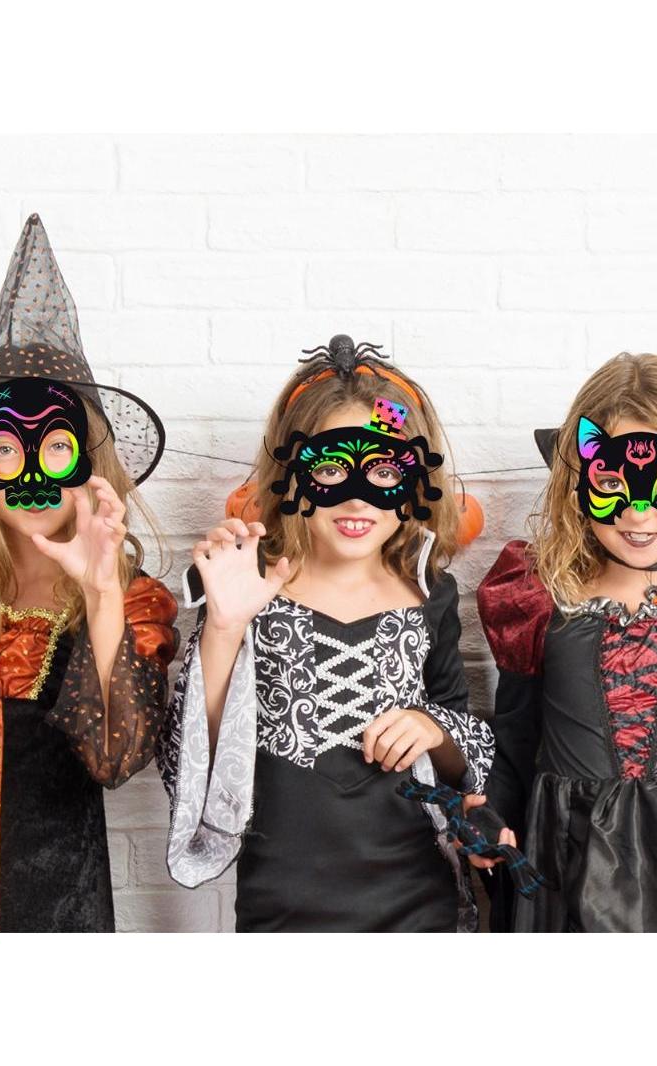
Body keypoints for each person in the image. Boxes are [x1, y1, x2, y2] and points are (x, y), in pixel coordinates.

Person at [158, 335, 496, 931]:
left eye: (383, 470)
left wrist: (431, 728)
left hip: (419, 895)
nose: (357, 498)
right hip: (283, 897)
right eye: (333, 468)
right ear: (292, 476)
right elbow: (190, 756)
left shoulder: (431, 591)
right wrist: (226, 625)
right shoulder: (246, 584)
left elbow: (465, 741)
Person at [0, 215, 178, 933]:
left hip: (53, 912)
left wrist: (101, 589)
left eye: (56, 447)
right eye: (7, 450)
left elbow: (117, 759)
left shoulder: (130, 601)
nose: (32, 474)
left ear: (88, 458)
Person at [477, 352, 657, 932]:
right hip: (566, 860)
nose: (640, 511)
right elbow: (516, 738)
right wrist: (492, 816)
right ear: (579, 481)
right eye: (611, 483)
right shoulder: (538, 596)